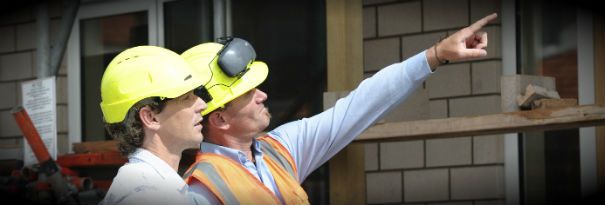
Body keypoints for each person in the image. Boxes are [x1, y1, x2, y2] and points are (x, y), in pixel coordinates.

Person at [181, 13, 498, 205]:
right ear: (219, 117)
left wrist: (435, 55)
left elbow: (363, 103)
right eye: (249, 93)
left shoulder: (279, 150)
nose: (263, 95)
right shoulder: (200, 189)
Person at [98, 46, 213, 205]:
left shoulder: (154, 187)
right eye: (187, 97)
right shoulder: (143, 195)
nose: (203, 105)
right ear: (151, 117)